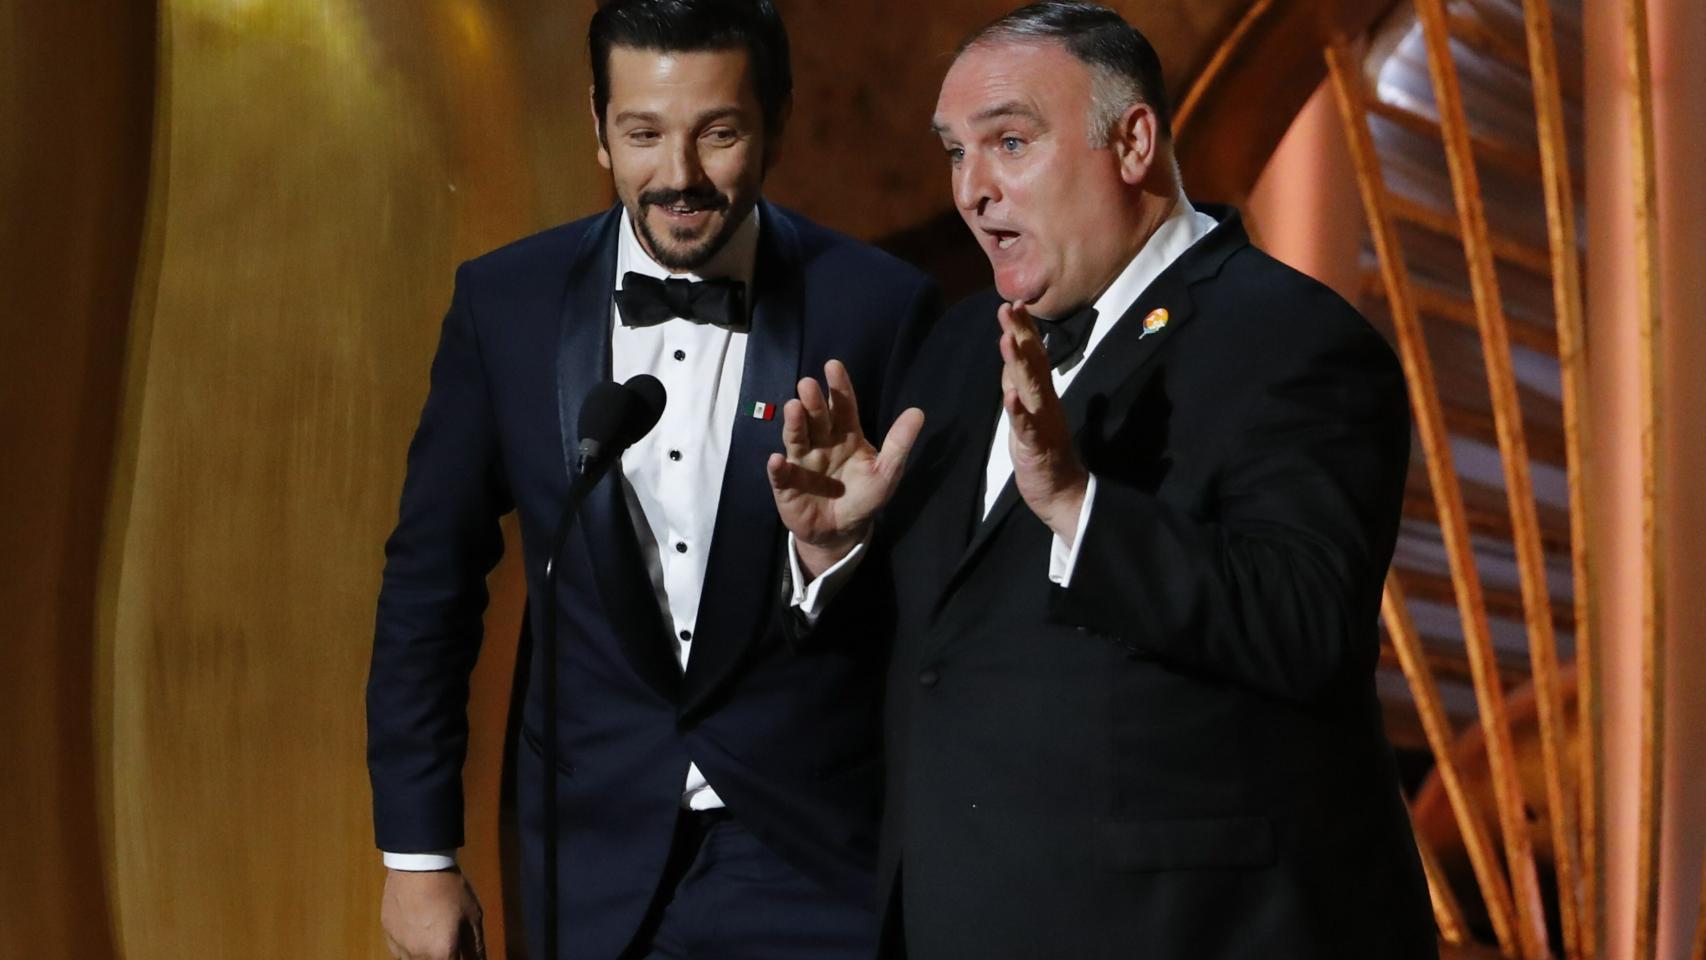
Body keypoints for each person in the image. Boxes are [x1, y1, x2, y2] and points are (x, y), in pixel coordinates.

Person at [768, 3, 1438, 957]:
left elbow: (1306, 628)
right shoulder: (959, 348)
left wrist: (1078, 508)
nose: (973, 189)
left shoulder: (1293, 339)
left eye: (1008, 141)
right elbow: (945, 659)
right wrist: (831, 553)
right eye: (956, 152)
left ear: (1132, 142)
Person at [365, 1, 937, 958]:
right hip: (587, 862)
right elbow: (430, 582)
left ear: (779, 122)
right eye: (643, 133)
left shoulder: (881, 309)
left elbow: (934, 618)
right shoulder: (503, 304)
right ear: (597, 127)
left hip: (811, 855)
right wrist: (417, 854)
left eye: (719, 132)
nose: (678, 178)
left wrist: (830, 557)